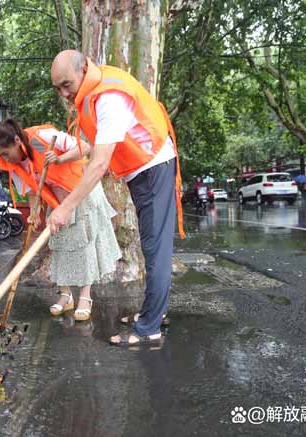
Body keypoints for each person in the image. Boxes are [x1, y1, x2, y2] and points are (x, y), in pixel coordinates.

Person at [48, 50, 185, 346]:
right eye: (57, 87)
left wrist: (65, 207)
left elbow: (98, 163)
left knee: (155, 249)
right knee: (152, 248)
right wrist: (62, 160)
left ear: (84, 68)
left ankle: (150, 327)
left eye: (66, 84)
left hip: (153, 168)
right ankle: (152, 313)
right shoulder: (94, 89)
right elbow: (90, 145)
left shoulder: (108, 97)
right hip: (144, 171)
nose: (63, 93)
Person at [0, 119, 121, 321]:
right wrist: (34, 213)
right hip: (58, 201)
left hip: (81, 191)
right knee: (59, 246)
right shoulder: (14, 164)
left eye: (5, 153)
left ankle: (85, 297)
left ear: (17, 140)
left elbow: (84, 147)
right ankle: (65, 295)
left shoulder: (41, 139)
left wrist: (60, 159)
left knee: (84, 246)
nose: (5, 159)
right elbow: (32, 190)